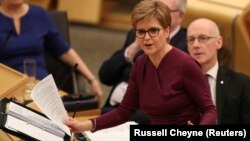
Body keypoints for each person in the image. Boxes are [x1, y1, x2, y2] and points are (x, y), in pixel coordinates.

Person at [64, 0, 217, 133]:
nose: (147, 38)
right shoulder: (140, 63)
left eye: (153, 31)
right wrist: (84, 125)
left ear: (166, 31)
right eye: (141, 32)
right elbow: (124, 111)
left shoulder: (187, 65)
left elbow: (209, 110)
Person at [99, 0, 187, 124]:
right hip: (111, 109)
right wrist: (133, 49)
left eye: (164, 11)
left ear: (181, 16)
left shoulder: (186, 46)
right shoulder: (138, 34)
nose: (157, 15)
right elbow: (105, 76)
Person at [0, 0, 103, 105]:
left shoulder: (39, 14)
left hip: (41, 87)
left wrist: (92, 79)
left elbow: (64, 50)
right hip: (8, 89)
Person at [187, 18, 250, 124]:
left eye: (203, 38)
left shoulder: (242, 84)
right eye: (191, 39)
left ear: (219, 42)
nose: (196, 45)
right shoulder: (175, 82)